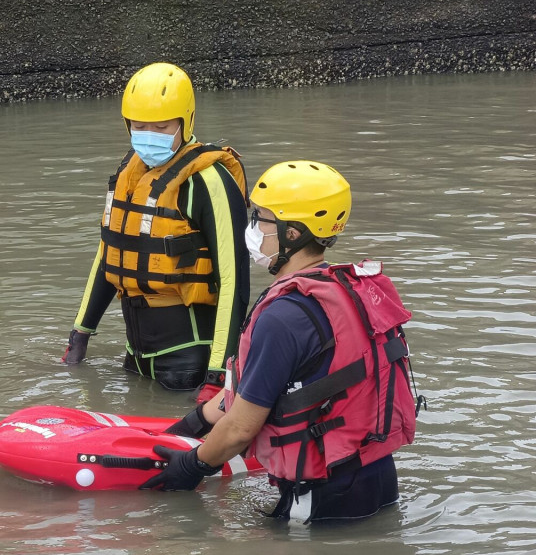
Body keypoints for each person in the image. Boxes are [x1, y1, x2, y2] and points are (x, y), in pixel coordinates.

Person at [141, 160, 425, 523]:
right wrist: (193, 423)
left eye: (262, 219)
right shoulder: (347, 290)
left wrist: (191, 467)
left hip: (320, 497)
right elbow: (277, 387)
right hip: (378, 477)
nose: (254, 229)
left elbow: (241, 429)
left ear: (293, 233)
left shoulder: (283, 317)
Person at [61, 62, 251, 397]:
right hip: (136, 357)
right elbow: (111, 252)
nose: (149, 135)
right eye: (139, 126)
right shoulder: (128, 172)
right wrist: (81, 333)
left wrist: (219, 373)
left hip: (189, 361)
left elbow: (234, 284)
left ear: (186, 120)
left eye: (162, 126)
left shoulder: (210, 182)